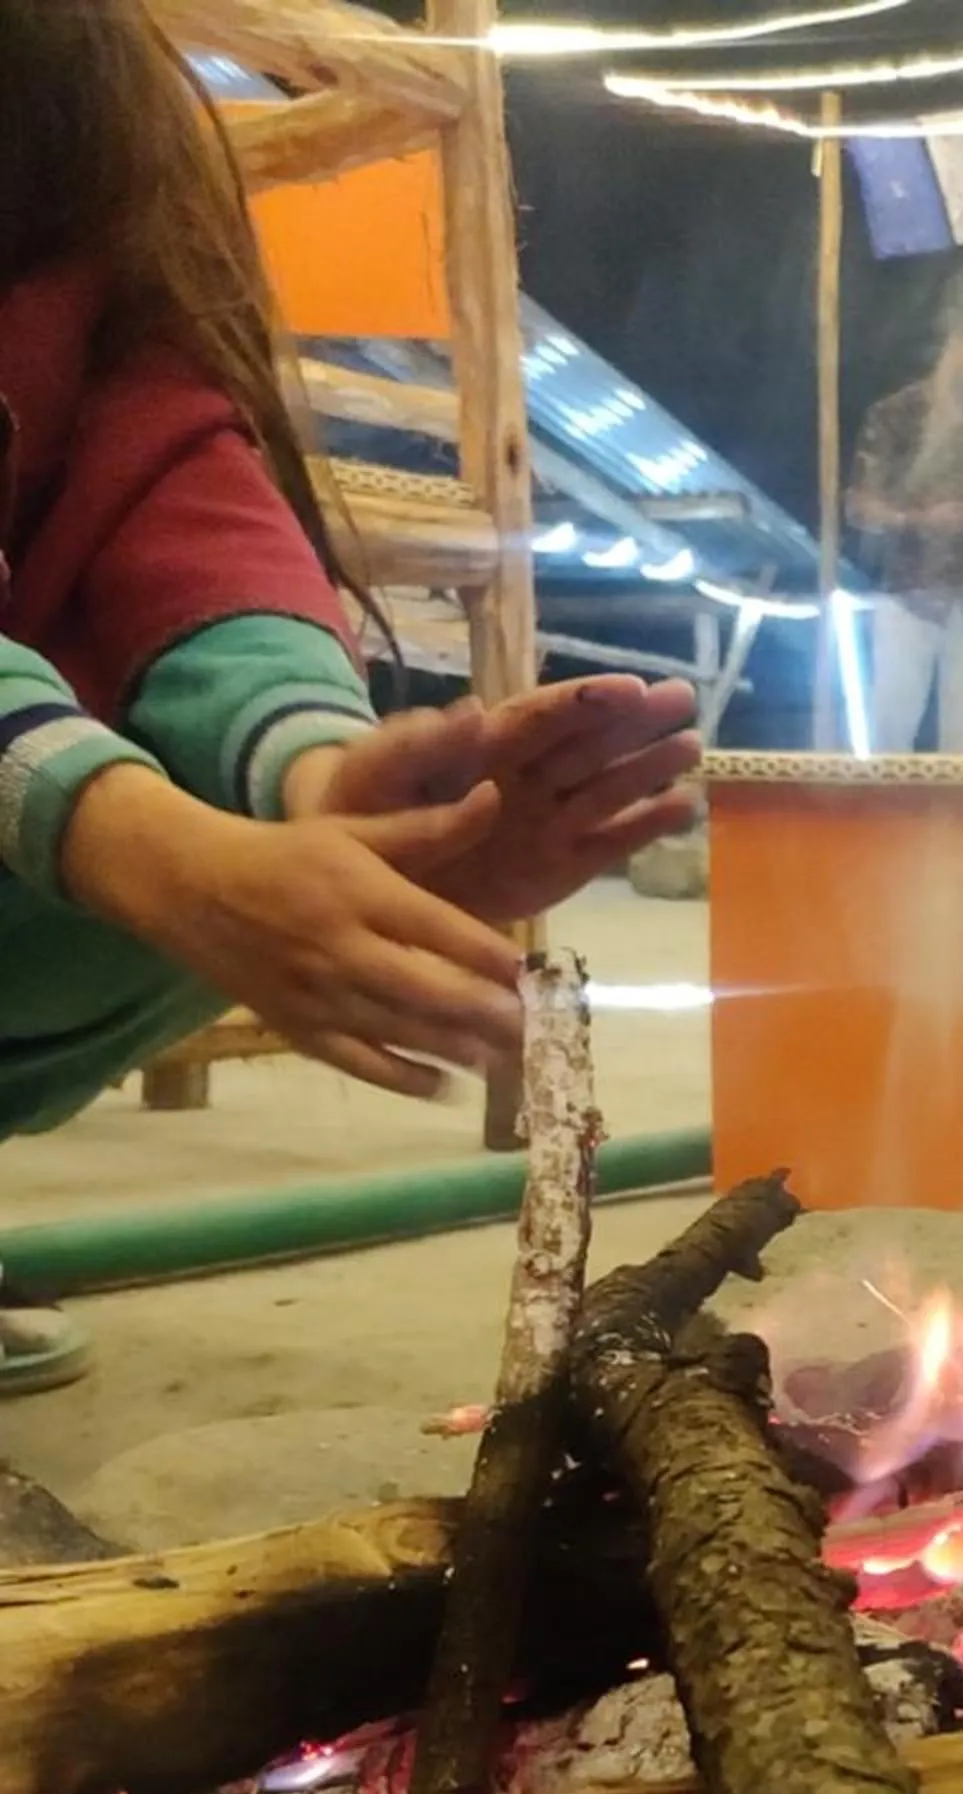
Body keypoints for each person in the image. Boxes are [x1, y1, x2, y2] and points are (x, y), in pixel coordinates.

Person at [0, 0, 700, 1393]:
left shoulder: (75, 96)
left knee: (229, 843)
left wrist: (323, 782)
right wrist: (142, 841)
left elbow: (172, 486)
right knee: (158, 848)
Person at [848, 294, 963, 758]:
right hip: (908, 600)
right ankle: (888, 829)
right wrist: (916, 520)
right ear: (957, 347)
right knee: (889, 742)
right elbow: (859, 506)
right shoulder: (894, 416)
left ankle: (955, 830)